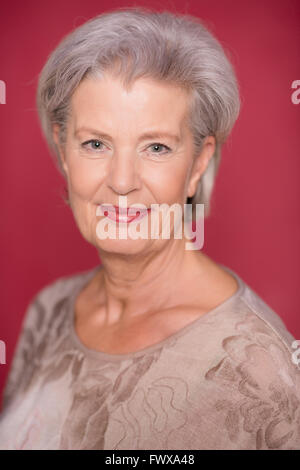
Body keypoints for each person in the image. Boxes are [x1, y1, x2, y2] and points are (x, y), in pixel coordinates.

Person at [0, 6, 299, 450]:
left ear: (198, 162)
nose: (122, 181)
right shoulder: (50, 310)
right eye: (95, 143)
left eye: (156, 147)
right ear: (64, 150)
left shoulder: (255, 369)